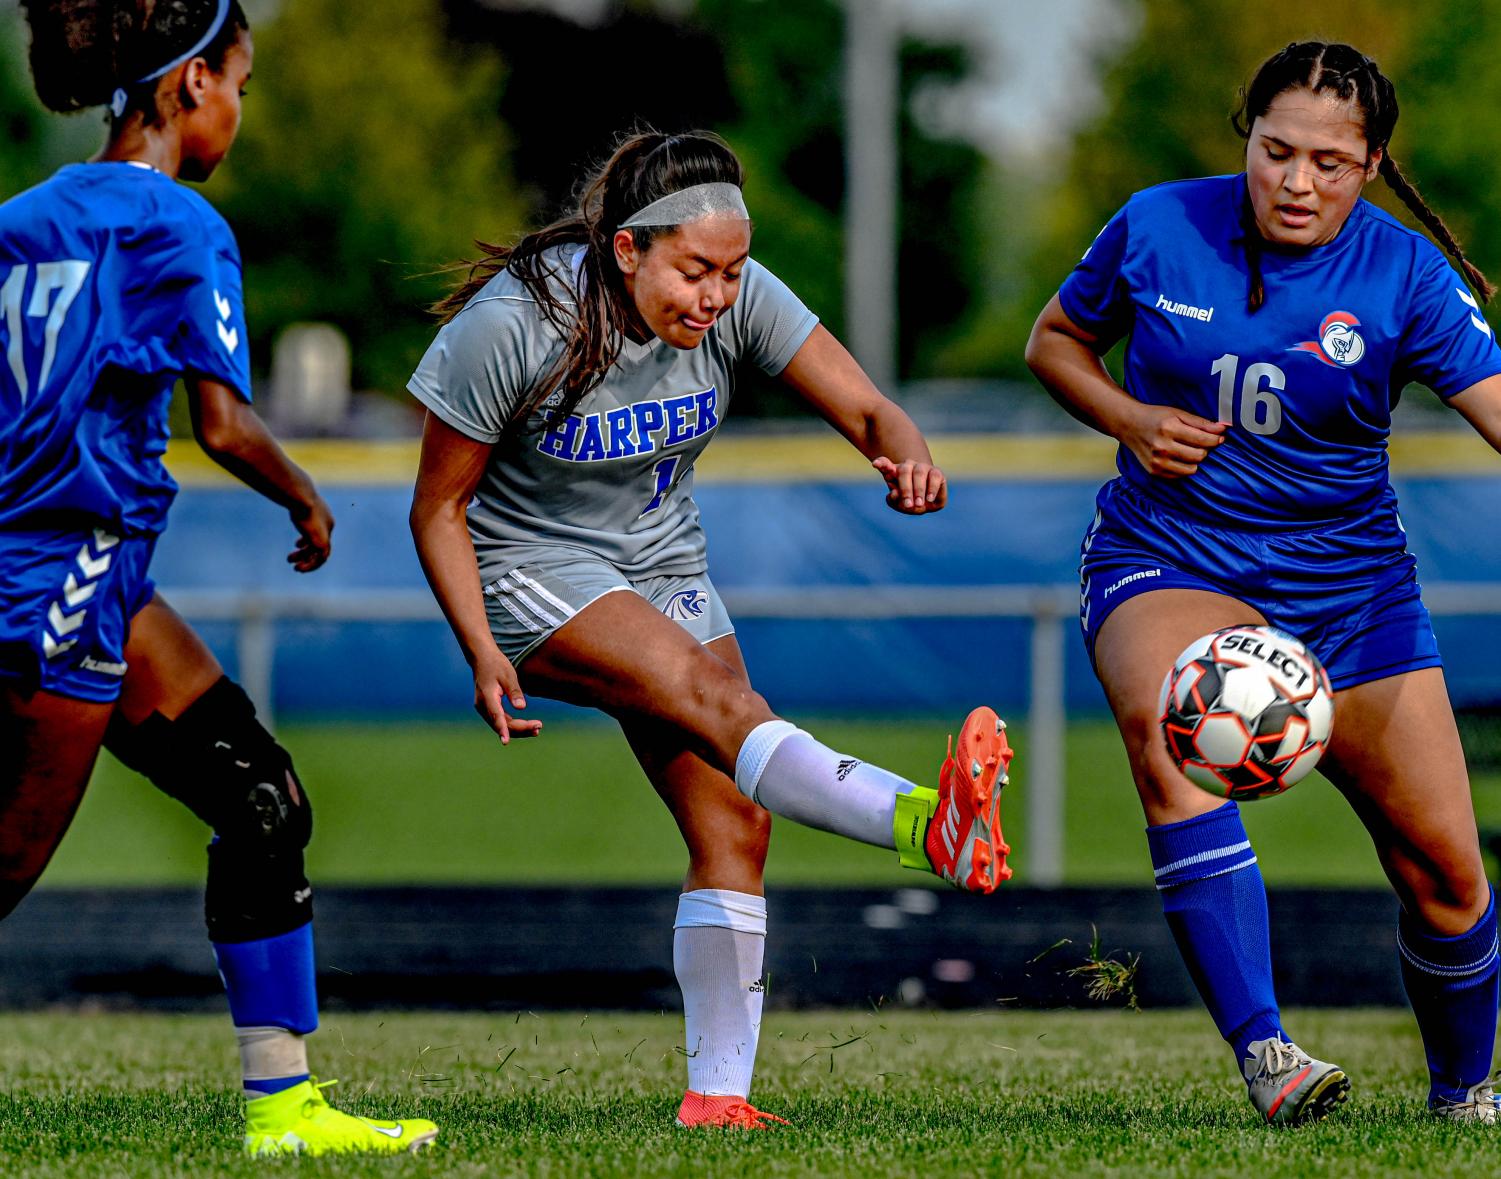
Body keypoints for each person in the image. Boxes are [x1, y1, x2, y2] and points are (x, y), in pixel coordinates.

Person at [409, 129, 1014, 1129]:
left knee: (736, 820)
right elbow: (439, 508)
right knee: (721, 705)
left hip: (664, 565)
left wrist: (907, 457)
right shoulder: (515, 321)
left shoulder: (736, 293)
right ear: (625, 251)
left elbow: (870, 411)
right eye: (696, 272)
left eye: (732, 273)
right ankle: (923, 822)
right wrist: (480, 645)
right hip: (528, 570)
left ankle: (716, 1099)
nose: (718, 296)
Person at [1026, 39, 1501, 1126]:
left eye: (1328, 163)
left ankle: (1461, 1091)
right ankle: (1267, 1054)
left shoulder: (1403, 273)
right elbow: (1054, 341)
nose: (1295, 181)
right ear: (1244, 136)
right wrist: (1130, 418)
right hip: (1172, 557)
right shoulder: (1156, 224)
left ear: (1371, 164)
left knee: (1447, 877)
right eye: (1273, 150)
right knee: (1174, 726)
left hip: (1354, 595)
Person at [4, 0, 436, 1155]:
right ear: (192, 82)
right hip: (65, 584)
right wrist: (305, 495)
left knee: (260, 798)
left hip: (89, 580)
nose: (240, 107)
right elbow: (228, 425)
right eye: (240, 81)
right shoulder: (180, 224)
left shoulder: (20, 218)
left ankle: (284, 1112)